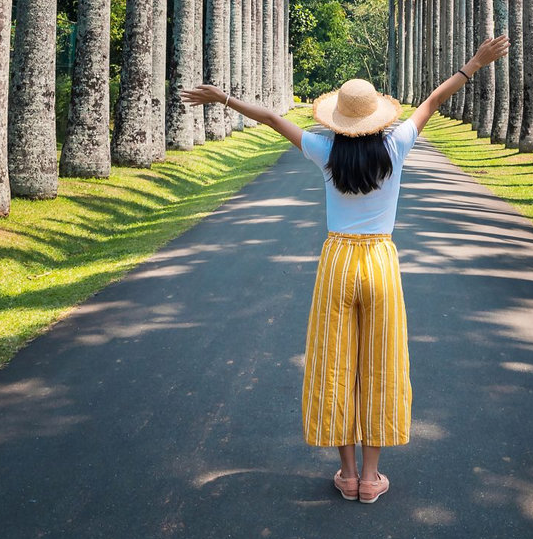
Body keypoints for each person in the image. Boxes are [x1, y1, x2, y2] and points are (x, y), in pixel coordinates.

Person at [182, 34, 510, 505]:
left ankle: (347, 472)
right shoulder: (397, 144)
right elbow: (435, 99)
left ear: (339, 118)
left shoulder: (324, 150)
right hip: (380, 259)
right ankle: (372, 479)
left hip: (337, 260)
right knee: (380, 363)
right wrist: (475, 63)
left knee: (334, 364)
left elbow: (273, 118)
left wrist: (224, 97)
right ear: (378, 115)